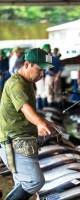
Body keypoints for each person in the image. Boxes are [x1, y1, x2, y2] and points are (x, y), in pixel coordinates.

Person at [0, 48, 56, 200]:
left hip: (22, 139)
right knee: (34, 181)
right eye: (40, 70)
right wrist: (39, 124)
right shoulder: (16, 84)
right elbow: (26, 108)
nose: (42, 74)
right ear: (27, 64)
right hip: (13, 140)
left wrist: (44, 121)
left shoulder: (27, 82)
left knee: (22, 183)